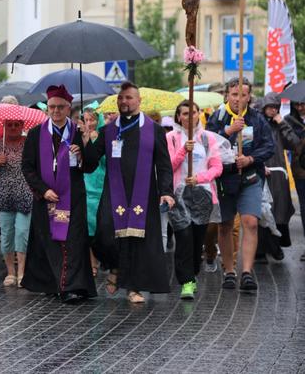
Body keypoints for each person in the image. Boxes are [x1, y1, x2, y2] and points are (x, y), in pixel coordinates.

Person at [85, 82, 174, 304]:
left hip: (143, 193)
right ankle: (114, 268)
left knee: (137, 241)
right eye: (121, 98)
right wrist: (86, 141)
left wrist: (166, 191)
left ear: (138, 101)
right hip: (113, 192)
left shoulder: (153, 130)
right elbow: (89, 164)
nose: (124, 101)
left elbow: (163, 164)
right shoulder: (108, 131)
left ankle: (134, 287)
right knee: (105, 233)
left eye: (129, 98)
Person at [21, 85, 97, 303]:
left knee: (72, 241)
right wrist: (44, 190)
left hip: (73, 197)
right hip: (46, 197)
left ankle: (71, 286)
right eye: (52, 107)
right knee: (51, 242)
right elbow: (27, 167)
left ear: (68, 107)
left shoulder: (78, 132)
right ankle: (55, 283)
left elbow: (90, 166)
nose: (55, 111)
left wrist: (83, 150)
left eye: (60, 107)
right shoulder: (36, 134)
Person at [206, 78, 274, 292]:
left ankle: (246, 272)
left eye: (243, 95)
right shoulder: (218, 117)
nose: (238, 99)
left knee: (250, 222)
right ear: (227, 95)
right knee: (225, 225)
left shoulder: (257, 118)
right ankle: (228, 271)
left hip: (250, 177)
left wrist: (251, 159)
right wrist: (228, 131)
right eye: (234, 95)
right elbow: (207, 143)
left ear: (249, 96)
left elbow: (268, 146)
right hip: (225, 179)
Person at [166, 101, 223, 299]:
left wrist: (199, 178)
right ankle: (186, 281)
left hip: (202, 194)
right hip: (178, 195)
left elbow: (217, 167)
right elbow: (168, 166)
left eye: (193, 113)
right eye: (184, 114)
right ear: (178, 117)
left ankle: (193, 273)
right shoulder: (171, 138)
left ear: (199, 114)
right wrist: (183, 151)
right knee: (183, 237)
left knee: (197, 239)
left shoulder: (208, 139)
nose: (189, 117)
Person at [0, 119, 32, 287]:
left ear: (22, 126)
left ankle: (22, 273)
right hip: (4, 196)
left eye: (16, 125)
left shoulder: (29, 144)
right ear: (4, 126)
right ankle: (10, 272)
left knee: (22, 234)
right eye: (9, 125)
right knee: (6, 236)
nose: (13, 128)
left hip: (25, 194)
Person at [258, 93, 300, 261]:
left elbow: (295, 144)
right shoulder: (257, 123)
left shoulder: (280, 125)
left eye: (276, 107)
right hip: (261, 171)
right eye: (270, 107)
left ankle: (276, 245)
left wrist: (282, 124)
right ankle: (262, 249)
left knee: (280, 210)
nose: (273, 110)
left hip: (279, 173)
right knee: (262, 210)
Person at [81, 108, 105, 276]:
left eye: (92, 119)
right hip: (86, 186)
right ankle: (92, 263)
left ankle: (104, 257)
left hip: (102, 186)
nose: (89, 123)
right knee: (88, 227)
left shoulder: (104, 137)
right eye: (86, 119)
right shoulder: (81, 137)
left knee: (101, 226)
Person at [284, 99, 305, 261]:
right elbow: (291, 145)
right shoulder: (290, 121)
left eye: (303, 104)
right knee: (304, 208)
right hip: (300, 171)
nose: (300, 108)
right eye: (296, 105)